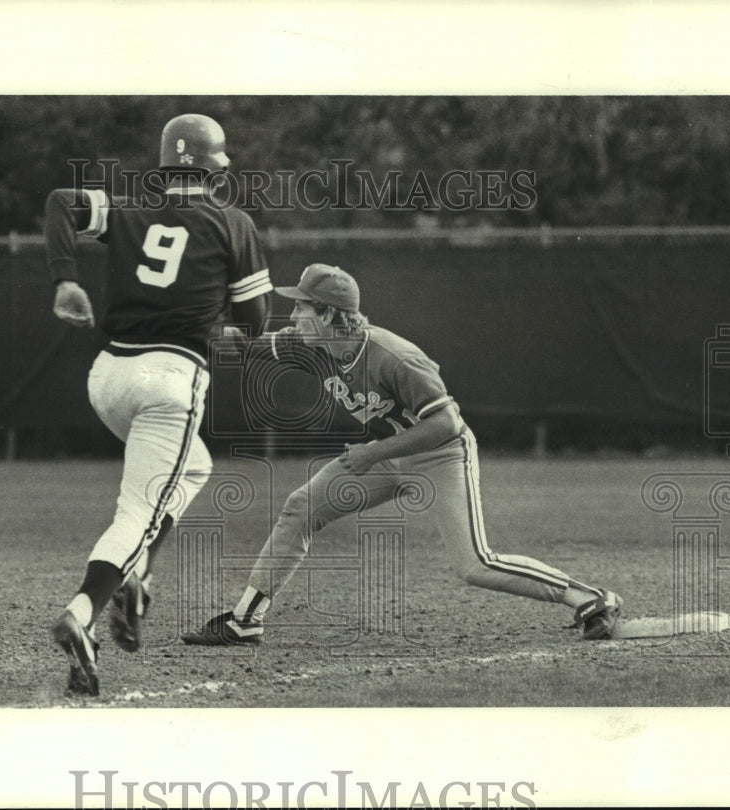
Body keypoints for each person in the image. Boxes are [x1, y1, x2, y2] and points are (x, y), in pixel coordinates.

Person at [181, 263, 623, 647]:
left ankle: (589, 597)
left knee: (475, 564)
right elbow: (249, 345)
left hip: (439, 454)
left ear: (331, 314)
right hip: (383, 456)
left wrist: (375, 451)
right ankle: (244, 622)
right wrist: (199, 326)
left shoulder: (394, 357)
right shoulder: (314, 346)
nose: (293, 314)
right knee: (302, 507)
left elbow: (446, 423)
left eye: (303, 306)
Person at [45, 113, 271, 696]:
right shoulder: (234, 222)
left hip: (109, 377)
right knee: (136, 515)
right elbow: (253, 321)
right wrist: (220, 316)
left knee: (194, 466)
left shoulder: (126, 211)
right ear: (217, 169)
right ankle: (83, 612)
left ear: (164, 166)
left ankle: (136, 579)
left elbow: (59, 203)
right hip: (170, 383)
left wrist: (66, 279)